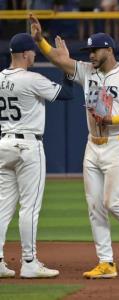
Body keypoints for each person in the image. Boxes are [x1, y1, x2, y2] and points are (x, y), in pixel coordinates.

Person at [29, 14, 119, 279]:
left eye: (94, 50)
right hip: (92, 146)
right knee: (94, 205)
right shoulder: (88, 72)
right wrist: (40, 41)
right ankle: (106, 262)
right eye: (88, 51)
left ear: (108, 49)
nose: (91, 55)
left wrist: (114, 118)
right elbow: (60, 60)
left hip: (118, 143)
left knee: (112, 201)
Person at [0, 33, 74, 278]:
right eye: (33, 51)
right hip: (28, 146)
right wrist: (66, 64)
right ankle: (29, 262)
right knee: (29, 207)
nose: (35, 54)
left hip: (4, 143)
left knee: (3, 208)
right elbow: (66, 94)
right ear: (24, 54)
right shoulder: (31, 79)